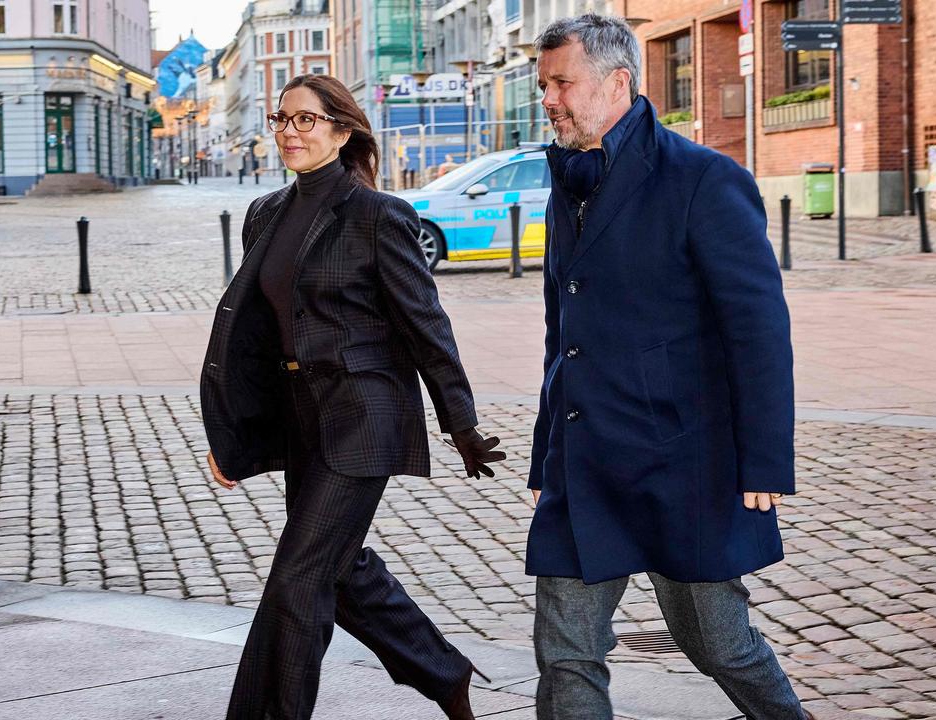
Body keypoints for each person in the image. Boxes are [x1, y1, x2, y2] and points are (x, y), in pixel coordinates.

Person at [525, 14, 816, 720]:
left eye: (562, 82)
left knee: (718, 642)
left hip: (681, 461)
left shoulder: (705, 180)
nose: (549, 99)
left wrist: (765, 461)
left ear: (617, 81)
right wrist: (545, 455)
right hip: (584, 459)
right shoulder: (569, 180)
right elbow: (561, 333)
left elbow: (757, 329)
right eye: (544, 85)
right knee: (566, 653)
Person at [200, 74, 505, 720]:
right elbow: (254, 335)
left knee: (299, 580)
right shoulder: (265, 214)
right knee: (339, 570)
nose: (289, 131)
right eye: (281, 119)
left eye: (306, 120)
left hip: (363, 418)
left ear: (342, 131)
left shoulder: (378, 215)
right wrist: (233, 436)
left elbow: (426, 326)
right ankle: (443, 671)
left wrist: (461, 424)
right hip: (301, 418)